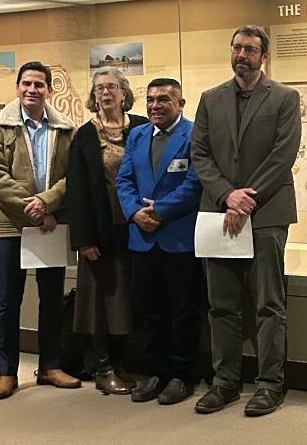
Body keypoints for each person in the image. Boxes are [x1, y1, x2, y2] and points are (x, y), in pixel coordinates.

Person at [191, 25, 301, 416]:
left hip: (267, 213)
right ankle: (225, 383)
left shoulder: (285, 98)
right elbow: (200, 154)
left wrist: (245, 199)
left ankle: (270, 385)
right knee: (221, 305)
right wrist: (226, 195)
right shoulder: (209, 98)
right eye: (237, 47)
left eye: (250, 49)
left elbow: (283, 155)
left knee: (268, 304)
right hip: (219, 213)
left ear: (263, 56)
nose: (242, 54)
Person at [0, 61, 80, 399]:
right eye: (26, 83)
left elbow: (73, 177)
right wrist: (37, 212)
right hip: (10, 227)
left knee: (52, 299)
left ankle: (51, 367)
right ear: (17, 87)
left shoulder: (66, 129)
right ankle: (6, 373)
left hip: (50, 226)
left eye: (39, 84)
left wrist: (48, 204)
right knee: (8, 301)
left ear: (49, 91)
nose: (31, 89)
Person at [116, 78, 203, 405]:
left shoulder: (194, 134)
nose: (155, 105)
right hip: (142, 238)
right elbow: (124, 180)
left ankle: (182, 375)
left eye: (164, 99)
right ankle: (156, 371)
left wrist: (161, 211)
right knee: (150, 309)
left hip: (178, 238)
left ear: (180, 103)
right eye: (151, 99)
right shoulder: (137, 135)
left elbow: (195, 184)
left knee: (184, 310)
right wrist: (133, 213)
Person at [67, 66, 148, 395]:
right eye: (100, 87)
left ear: (124, 93)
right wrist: (83, 239)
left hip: (136, 228)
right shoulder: (84, 136)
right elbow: (77, 191)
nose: (106, 92)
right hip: (100, 232)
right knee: (98, 302)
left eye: (112, 86)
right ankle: (102, 367)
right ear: (93, 95)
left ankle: (121, 362)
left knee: (126, 299)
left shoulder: (142, 128)